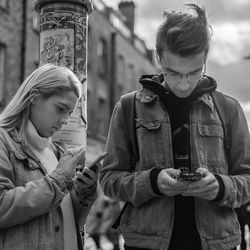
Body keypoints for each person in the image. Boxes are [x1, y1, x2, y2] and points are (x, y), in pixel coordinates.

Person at [99, 3, 250, 250]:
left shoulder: (230, 109)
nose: (182, 84)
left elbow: (247, 178)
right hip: (145, 244)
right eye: (172, 72)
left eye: (193, 72)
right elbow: (109, 179)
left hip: (218, 244)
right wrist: (153, 182)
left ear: (206, 59)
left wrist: (221, 186)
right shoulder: (128, 107)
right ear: (158, 58)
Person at [0, 63, 106, 250]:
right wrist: (58, 179)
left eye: (70, 113)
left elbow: (61, 219)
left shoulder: (57, 152)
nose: (65, 120)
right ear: (34, 97)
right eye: (60, 108)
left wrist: (85, 194)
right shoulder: (3, 140)